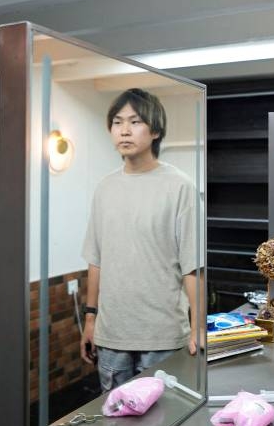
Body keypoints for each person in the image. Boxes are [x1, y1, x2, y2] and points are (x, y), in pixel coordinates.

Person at [80, 88, 198, 391]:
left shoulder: (180, 187)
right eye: (117, 122)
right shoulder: (104, 188)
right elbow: (96, 260)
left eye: (135, 122)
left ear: (155, 130)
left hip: (162, 335)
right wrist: (90, 319)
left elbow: (193, 267)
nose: (124, 130)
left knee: (165, 425)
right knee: (115, 424)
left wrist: (198, 327)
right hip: (112, 335)